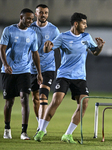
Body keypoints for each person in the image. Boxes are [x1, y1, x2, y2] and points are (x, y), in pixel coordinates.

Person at [34, 12, 105, 143]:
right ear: (76, 24)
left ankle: (67, 134)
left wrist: (99, 47)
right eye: (84, 23)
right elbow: (49, 49)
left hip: (80, 77)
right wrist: (46, 47)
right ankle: (41, 130)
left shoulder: (86, 37)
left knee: (84, 104)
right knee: (56, 101)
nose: (86, 25)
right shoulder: (63, 37)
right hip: (64, 75)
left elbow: (94, 52)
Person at [0, 8, 43, 140]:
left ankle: (24, 132)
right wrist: (6, 65)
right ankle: (7, 129)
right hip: (9, 71)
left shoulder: (32, 34)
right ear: (21, 17)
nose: (30, 21)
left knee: (25, 98)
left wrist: (39, 73)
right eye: (28, 18)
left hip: (25, 70)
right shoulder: (9, 30)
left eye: (32, 19)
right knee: (10, 102)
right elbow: (2, 48)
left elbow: (35, 53)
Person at [29, 4, 60, 136]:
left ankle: (41, 128)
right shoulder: (30, 28)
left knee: (43, 97)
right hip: (32, 68)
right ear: (36, 14)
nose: (44, 15)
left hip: (48, 67)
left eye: (46, 13)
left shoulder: (54, 30)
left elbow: (60, 44)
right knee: (35, 98)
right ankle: (39, 124)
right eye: (41, 12)